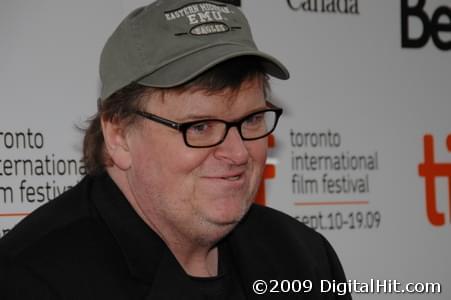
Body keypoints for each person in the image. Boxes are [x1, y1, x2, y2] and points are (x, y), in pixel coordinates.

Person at [0, 0, 351, 299]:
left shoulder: (303, 257)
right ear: (119, 134)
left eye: (252, 120)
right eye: (199, 127)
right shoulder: (32, 280)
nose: (239, 152)